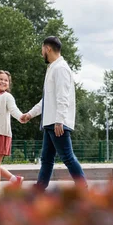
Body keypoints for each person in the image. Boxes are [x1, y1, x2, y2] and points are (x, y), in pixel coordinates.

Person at [20, 36, 88, 190]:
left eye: (42, 50)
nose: (41, 53)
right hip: (50, 122)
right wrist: (30, 114)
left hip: (57, 123)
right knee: (47, 159)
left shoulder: (61, 68)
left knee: (68, 158)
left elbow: (63, 97)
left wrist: (60, 120)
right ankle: (40, 190)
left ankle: (84, 190)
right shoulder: (53, 68)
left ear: (47, 48)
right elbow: (48, 100)